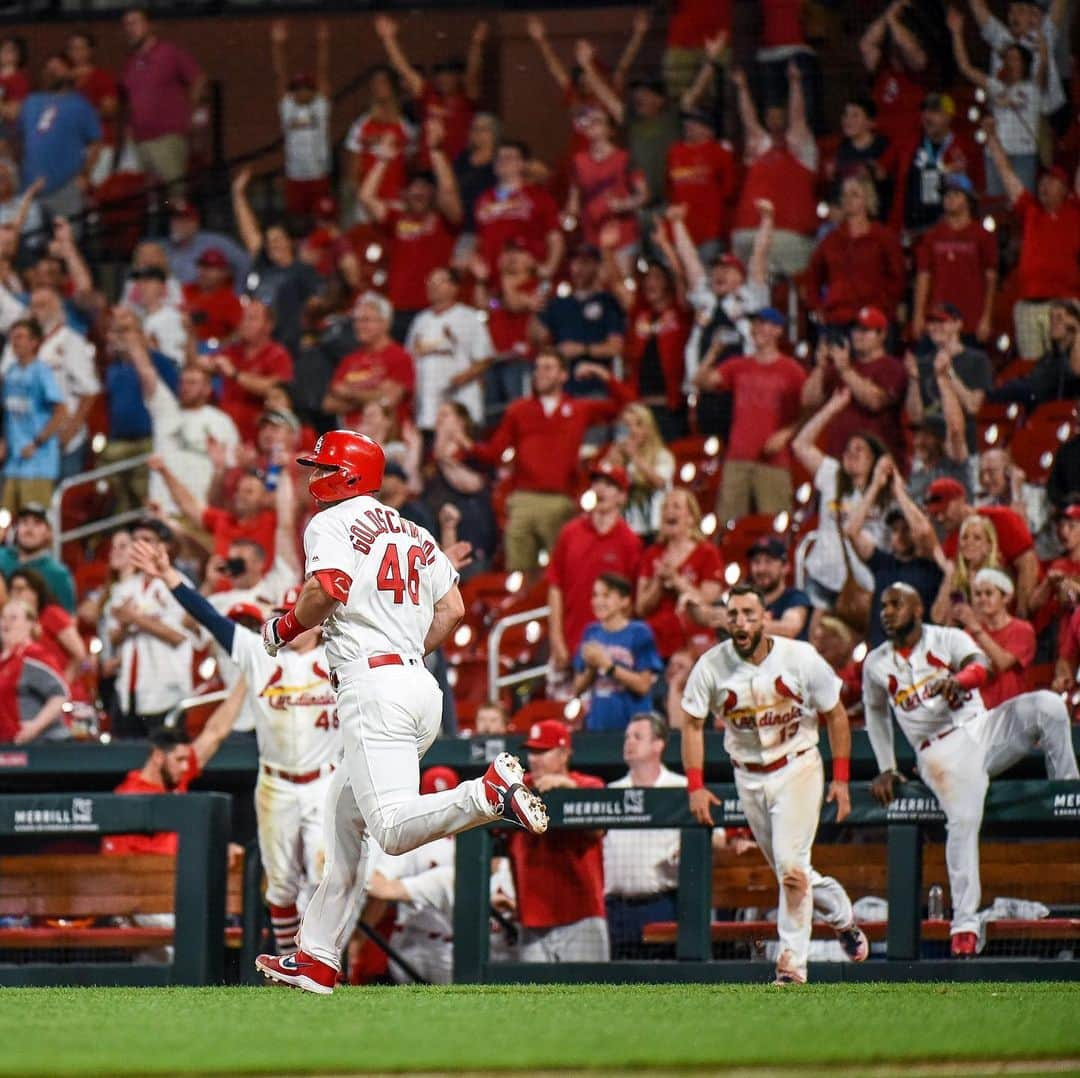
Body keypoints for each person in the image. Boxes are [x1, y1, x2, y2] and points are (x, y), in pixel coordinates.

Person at [255, 430, 548, 994]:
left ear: (345, 474)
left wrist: (283, 628)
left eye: (322, 466)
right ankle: (315, 957)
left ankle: (484, 794)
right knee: (346, 825)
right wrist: (405, 653)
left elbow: (328, 589)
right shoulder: (411, 528)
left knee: (389, 827)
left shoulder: (331, 523)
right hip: (416, 683)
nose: (314, 475)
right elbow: (454, 608)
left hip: (374, 685)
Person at [130, 540, 341, 956]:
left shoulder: (340, 656)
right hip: (276, 782)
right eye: (285, 616)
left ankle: (320, 961)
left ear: (319, 621)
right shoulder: (261, 653)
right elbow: (209, 618)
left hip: (325, 782)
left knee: (324, 876)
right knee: (279, 884)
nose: (293, 622)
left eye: (300, 615)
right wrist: (171, 577)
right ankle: (288, 962)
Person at [863, 583, 1078, 957]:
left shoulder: (946, 637)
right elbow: (876, 713)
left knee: (1047, 705)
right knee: (963, 819)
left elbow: (980, 667)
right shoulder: (876, 663)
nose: (886, 611)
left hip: (982, 727)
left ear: (918, 609)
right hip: (938, 751)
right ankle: (964, 924)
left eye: (896, 604)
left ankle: (1068, 793)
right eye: (883, 605)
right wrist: (886, 766)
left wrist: (958, 681)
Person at [680, 585, 868, 985]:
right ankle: (843, 918)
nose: (741, 622)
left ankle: (791, 966)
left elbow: (835, 714)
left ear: (765, 617)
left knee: (791, 870)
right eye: (733, 614)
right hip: (748, 776)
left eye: (749, 613)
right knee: (793, 870)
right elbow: (692, 724)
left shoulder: (799, 657)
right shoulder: (711, 666)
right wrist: (695, 785)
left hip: (797, 766)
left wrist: (842, 778)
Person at [466, 349, 632, 572]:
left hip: (560, 500)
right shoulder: (519, 410)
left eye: (547, 368)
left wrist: (600, 372)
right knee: (518, 574)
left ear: (563, 375)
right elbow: (495, 452)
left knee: (562, 572)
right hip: (523, 500)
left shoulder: (578, 408)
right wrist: (464, 444)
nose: (539, 373)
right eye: (537, 368)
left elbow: (626, 404)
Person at [101, 680, 246, 856]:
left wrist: (246, 680)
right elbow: (144, 858)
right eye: (179, 760)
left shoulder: (174, 779)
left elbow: (215, 732)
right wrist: (215, 851)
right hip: (135, 877)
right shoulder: (132, 796)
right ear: (158, 756)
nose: (186, 767)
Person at [505, 719, 608, 962]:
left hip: (581, 914)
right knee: (534, 999)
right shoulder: (517, 788)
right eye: (531, 752)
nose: (534, 759)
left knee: (591, 997)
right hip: (532, 917)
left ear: (564, 755)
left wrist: (568, 791)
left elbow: (598, 829)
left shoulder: (588, 786)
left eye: (543, 751)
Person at [669, 199, 772, 437]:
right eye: (715, 270)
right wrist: (677, 223)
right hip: (706, 390)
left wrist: (766, 221)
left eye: (727, 270)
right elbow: (690, 261)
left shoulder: (750, 300)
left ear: (740, 277)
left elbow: (759, 258)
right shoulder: (706, 300)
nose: (719, 274)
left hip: (741, 392)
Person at [695, 307, 806, 521]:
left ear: (778, 330)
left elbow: (808, 411)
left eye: (763, 324)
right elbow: (701, 381)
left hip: (773, 460)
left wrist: (787, 433)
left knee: (774, 523)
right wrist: (714, 351)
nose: (757, 329)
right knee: (727, 524)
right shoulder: (739, 365)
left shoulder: (792, 370)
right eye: (755, 324)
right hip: (738, 456)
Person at [983, 121, 1080, 362]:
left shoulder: (1075, 212)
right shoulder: (1030, 211)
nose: (1044, 185)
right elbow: (1007, 176)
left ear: (1065, 188)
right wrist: (993, 140)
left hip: (1066, 304)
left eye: (1052, 181)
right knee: (1033, 369)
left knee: (1071, 366)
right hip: (1028, 306)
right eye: (1042, 181)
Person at [358, 121, 463, 334]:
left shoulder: (445, 221)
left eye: (425, 187)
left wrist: (436, 151)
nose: (419, 191)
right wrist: (383, 160)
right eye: (414, 187)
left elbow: (449, 190)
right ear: (405, 194)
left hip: (435, 307)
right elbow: (366, 198)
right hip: (399, 309)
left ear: (433, 193)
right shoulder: (397, 218)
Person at [603, 712, 688, 959]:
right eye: (627, 736)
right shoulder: (612, 791)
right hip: (617, 907)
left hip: (663, 903)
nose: (628, 742)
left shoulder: (680, 788)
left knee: (663, 986)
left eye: (637, 737)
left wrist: (687, 851)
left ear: (658, 744)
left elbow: (717, 837)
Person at [547, 462, 643, 676]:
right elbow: (555, 588)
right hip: (570, 643)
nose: (600, 489)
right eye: (597, 483)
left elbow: (632, 600)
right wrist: (556, 640)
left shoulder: (629, 542)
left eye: (609, 485)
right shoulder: (570, 533)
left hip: (611, 651)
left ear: (622, 496)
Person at [103, 517, 194, 739]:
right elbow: (113, 638)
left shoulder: (178, 583)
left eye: (147, 540)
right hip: (129, 690)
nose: (139, 545)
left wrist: (134, 618)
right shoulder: (125, 588)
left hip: (166, 689)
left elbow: (179, 636)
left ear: (163, 547)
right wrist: (127, 623)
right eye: (135, 540)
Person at [2, 285, 101, 479]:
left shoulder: (72, 341)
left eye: (43, 305)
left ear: (57, 308)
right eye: (33, 306)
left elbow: (90, 391)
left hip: (61, 441)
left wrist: (70, 432)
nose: (36, 311)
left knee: (58, 502)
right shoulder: (16, 345)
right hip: (23, 440)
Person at [845, 460, 945, 649]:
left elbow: (924, 532)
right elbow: (851, 531)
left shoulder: (931, 564)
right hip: (882, 654)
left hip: (919, 654)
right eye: (895, 530)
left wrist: (898, 491)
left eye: (905, 529)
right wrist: (876, 484)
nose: (900, 535)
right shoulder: (883, 563)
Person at [230, 168, 323, 358]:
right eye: (270, 241)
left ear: (290, 242)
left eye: (278, 239)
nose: (274, 245)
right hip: (256, 343)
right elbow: (250, 233)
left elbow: (316, 303)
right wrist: (238, 194)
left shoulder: (302, 271)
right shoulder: (262, 265)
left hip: (287, 344)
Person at [949, 9, 1043, 196]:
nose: (1010, 63)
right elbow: (965, 68)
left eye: (1015, 59)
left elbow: (1043, 62)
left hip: (1023, 155)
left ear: (1024, 63)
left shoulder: (1034, 89)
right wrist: (957, 34)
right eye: (1007, 59)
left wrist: (1042, 42)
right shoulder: (996, 86)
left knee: (1024, 208)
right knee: (996, 205)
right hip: (995, 155)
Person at [801, 308, 908, 464]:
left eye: (866, 331)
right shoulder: (839, 367)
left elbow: (875, 402)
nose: (858, 336)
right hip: (839, 459)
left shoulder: (892, 367)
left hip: (876, 463)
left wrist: (845, 370)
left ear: (882, 334)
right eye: (856, 330)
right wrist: (821, 366)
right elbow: (808, 401)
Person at [922, 478, 1039, 617]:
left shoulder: (1003, 518)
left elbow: (1028, 564)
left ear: (961, 500)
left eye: (944, 510)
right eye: (935, 514)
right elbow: (942, 613)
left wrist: (1022, 615)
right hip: (985, 623)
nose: (940, 518)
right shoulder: (950, 545)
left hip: (1031, 614)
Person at [120, 7, 206, 191]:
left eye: (135, 23)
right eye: (126, 24)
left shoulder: (168, 53)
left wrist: (190, 113)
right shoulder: (131, 62)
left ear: (149, 25)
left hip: (167, 138)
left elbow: (197, 79)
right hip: (139, 141)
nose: (130, 28)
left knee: (174, 195)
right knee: (146, 198)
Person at [804, 174, 905, 328]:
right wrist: (817, 307)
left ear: (867, 199)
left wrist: (887, 308)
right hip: (838, 318)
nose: (848, 199)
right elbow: (812, 276)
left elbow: (897, 278)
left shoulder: (883, 237)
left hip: (874, 318)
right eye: (844, 195)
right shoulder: (831, 239)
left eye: (854, 194)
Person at [636, 489, 723, 661]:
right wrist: (658, 582)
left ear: (691, 517)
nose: (669, 511)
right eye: (666, 507)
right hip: (655, 643)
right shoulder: (652, 554)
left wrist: (677, 581)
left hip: (693, 646)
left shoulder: (707, 553)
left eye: (676, 507)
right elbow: (641, 608)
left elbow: (707, 603)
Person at [911, 176, 998, 344]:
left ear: (968, 200)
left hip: (971, 319)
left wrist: (987, 317)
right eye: (947, 194)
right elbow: (923, 276)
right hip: (938, 319)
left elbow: (991, 279)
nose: (950, 199)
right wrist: (918, 315)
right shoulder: (932, 236)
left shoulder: (982, 236)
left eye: (956, 194)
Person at [572, 574, 663, 733]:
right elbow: (577, 689)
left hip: (633, 728)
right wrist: (592, 669)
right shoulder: (591, 632)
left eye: (606, 595)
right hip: (597, 727)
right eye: (595, 595)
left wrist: (607, 666)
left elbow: (643, 685)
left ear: (624, 600)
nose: (598, 601)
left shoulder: (639, 632)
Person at [406, 268, 492, 434]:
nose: (433, 286)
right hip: (427, 401)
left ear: (454, 287)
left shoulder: (469, 316)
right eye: (430, 282)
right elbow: (410, 357)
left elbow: (485, 358)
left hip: (461, 398)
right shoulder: (420, 320)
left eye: (440, 281)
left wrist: (460, 378)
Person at [20, 53, 102, 225]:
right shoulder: (30, 101)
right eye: (49, 69)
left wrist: (85, 175)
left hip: (66, 187)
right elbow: (21, 139)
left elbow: (95, 143)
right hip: (30, 188)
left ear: (69, 73)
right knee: (33, 243)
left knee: (68, 240)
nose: (52, 72)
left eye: (57, 68)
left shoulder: (80, 104)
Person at [535, 244, 625, 397]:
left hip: (597, 388)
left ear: (596, 266)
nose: (578, 268)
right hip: (563, 392)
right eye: (575, 263)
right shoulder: (559, 304)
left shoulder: (607, 302)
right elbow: (536, 338)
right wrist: (536, 307)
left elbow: (615, 347)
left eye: (585, 262)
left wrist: (583, 349)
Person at [323, 293, 415, 433]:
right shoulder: (349, 360)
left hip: (386, 441)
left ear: (385, 322)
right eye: (357, 320)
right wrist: (374, 395)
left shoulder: (400, 357)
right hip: (350, 438)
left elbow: (389, 401)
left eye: (366, 320)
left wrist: (348, 393)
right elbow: (328, 405)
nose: (359, 326)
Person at [0, 319, 66, 514]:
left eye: (20, 337)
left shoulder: (42, 372)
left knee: (32, 519)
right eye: (13, 337)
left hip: (38, 462)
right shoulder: (10, 373)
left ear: (34, 342)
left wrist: (37, 442)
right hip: (14, 462)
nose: (15, 342)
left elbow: (61, 411)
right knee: (5, 520)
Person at [474, 140, 563, 282]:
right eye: (499, 158)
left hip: (527, 278)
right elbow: (478, 239)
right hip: (491, 279)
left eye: (509, 158)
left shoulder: (539, 197)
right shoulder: (483, 199)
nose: (503, 162)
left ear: (522, 164)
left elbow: (555, 237)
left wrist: (549, 268)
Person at [270, 19, 332, 220]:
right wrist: (278, 45)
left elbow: (323, 70)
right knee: (296, 222)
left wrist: (322, 43)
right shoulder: (287, 107)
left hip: (318, 176)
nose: (301, 92)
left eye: (306, 88)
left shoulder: (320, 107)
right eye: (297, 88)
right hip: (294, 177)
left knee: (322, 220)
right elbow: (279, 74)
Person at [211, 299, 294, 444]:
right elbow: (203, 365)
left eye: (252, 318)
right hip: (224, 431)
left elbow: (276, 389)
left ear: (268, 325)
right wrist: (190, 337)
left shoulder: (277, 354)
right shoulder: (232, 350)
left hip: (258, 435)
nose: (245, 323)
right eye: (243, 318)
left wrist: (235, 375)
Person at [601, 404, 675, 540]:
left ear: (649, 429)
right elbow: (600, 483)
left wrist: (635, 457)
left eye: (638, 425)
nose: (632, 431)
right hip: (624, 529)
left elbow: (659, 482)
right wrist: (614, 456)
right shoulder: (616, 456)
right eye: (627, 426)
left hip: (655, 529)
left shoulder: (662, 456)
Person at [0, 599, 69, 744]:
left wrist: (35, 726)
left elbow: (60, 693)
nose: (6, 623)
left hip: (39, 746)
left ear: (29, 624)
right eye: (3, 617)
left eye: (13, 618)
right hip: (8, 745)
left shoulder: (33, 656)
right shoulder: (5, 660)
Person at [0, 504, 75, 611]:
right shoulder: (1, 556)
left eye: (37, 523)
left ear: (48, 532)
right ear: (16, 529)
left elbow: (69, 620)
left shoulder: (59, 574)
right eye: (24, 522)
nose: (29, 529)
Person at [746, 535, 812, 642]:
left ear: (785, 567)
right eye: (756, 562)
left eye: (769, 561)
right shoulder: (747, 600)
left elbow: (790, 628)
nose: (761, 569)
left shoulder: (796, 598)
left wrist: (742, 626)